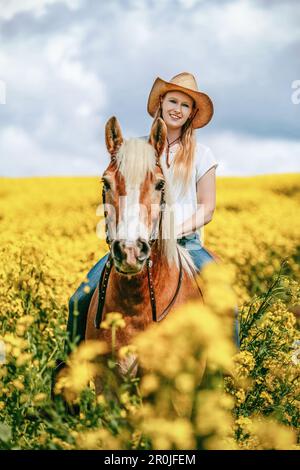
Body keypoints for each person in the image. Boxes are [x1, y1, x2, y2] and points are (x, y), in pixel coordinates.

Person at [65, 72, 240, 353]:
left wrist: (170, 232)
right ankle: (69, 365)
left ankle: (230, 360)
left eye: (185, 105)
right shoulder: (134, 149)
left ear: (192, 113)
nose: (177, 109)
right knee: (80, 298)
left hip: (186, 244)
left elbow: (207, 208)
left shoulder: (202, 155)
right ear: (161, 102)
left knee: (225, 297)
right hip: (136, 238)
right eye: (173, 101)